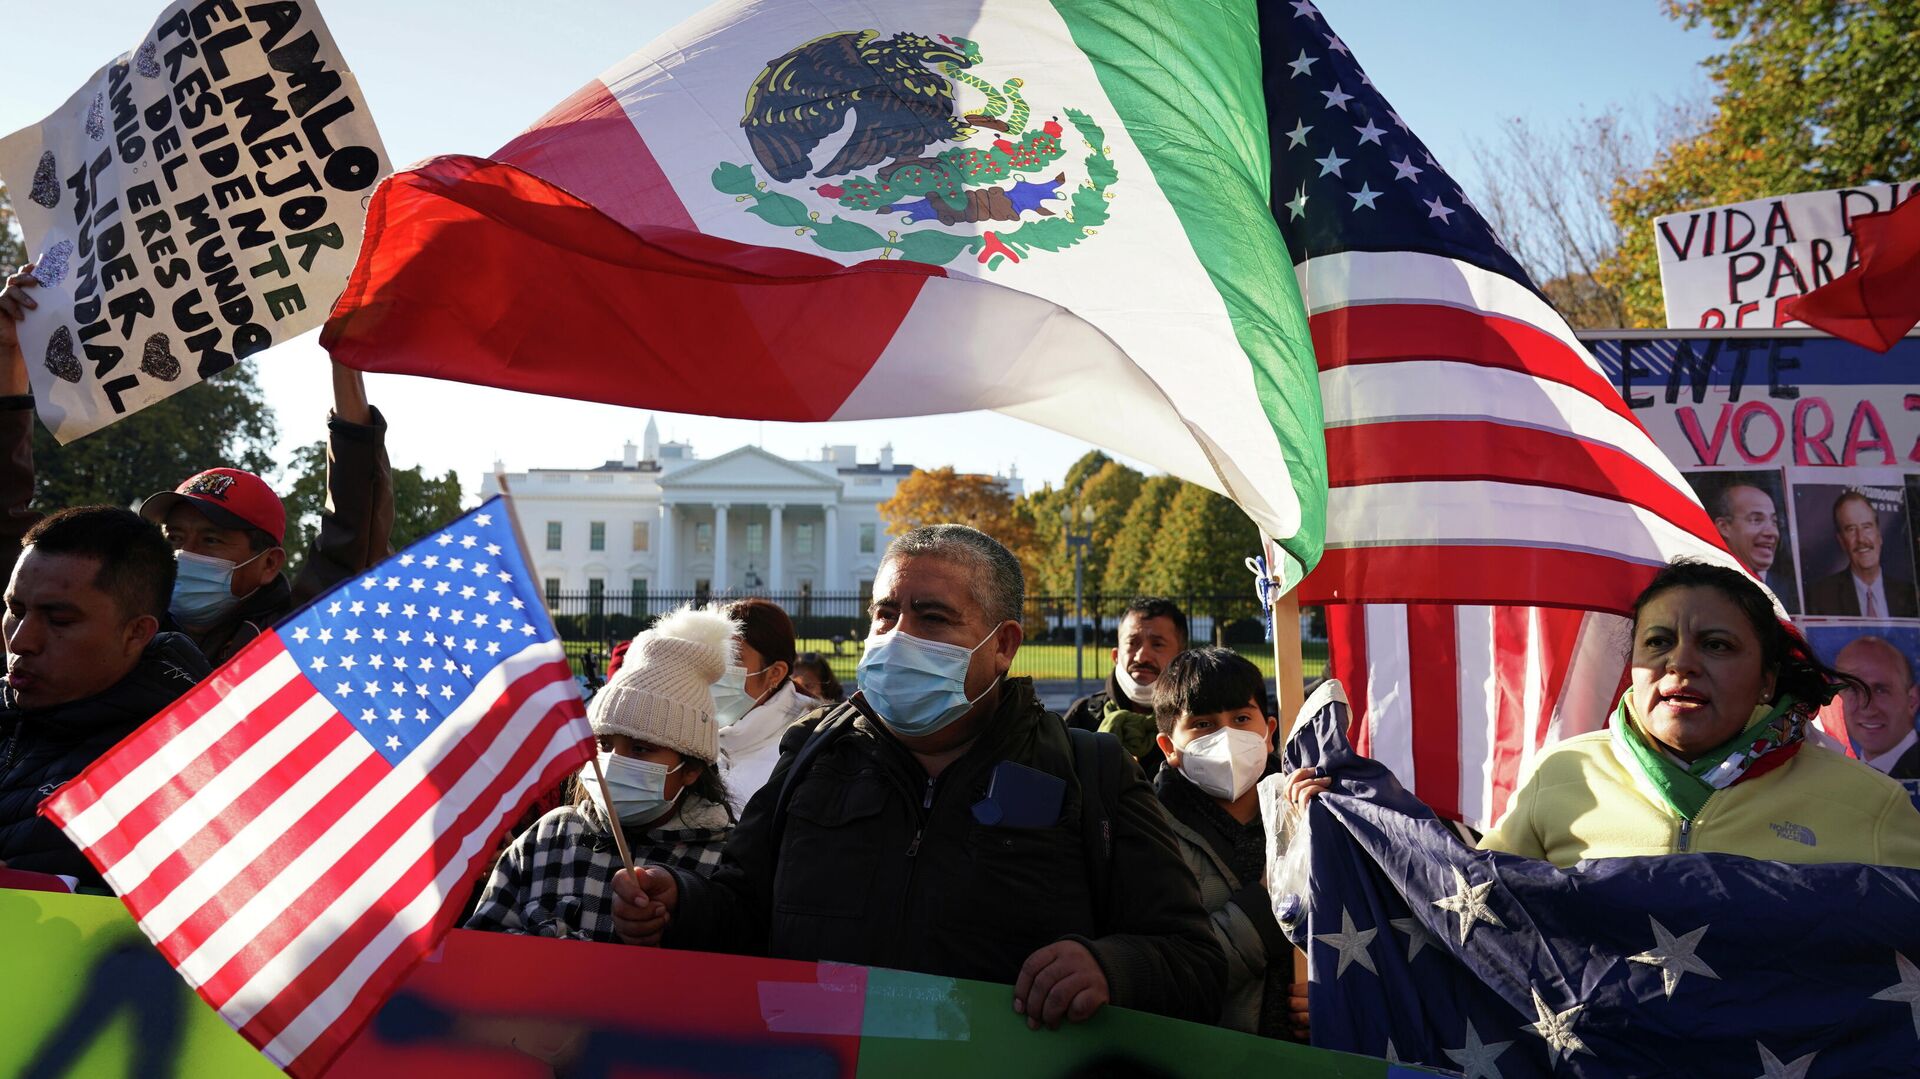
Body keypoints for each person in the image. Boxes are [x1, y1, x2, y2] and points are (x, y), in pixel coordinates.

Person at [610, 525, 1225, 1029]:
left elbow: (1194, 961)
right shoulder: (812, 756)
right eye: (885, 614)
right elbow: (744, 911)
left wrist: (1112, 968)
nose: (898, 636)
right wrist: (680, 904)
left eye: (932, 617)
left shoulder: (1091, 771)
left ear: (1004, 645)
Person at [0, 264, 396, 667]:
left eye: (211, 541)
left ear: (268, 564)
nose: (183, 556)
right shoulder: (121, 631)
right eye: (173, 538)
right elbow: (11, 533)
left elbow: (353, 534)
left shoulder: (294, 641)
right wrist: (10, 353)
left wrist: (344, 359)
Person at [1461, 560, 1920, 867]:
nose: (1680, 664)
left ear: (1767, 679)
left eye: (1716, 645)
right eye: (1658, 642)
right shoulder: (1560, 774)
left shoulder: (1870, 805)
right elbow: (1484, 927)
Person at [467, 604, 736, 942]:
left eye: (641, 749)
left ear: (691, 769)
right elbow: (481, 942)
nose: (612, 761)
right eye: (604, 744)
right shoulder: (549, 837)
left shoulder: (725, 859)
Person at [0, 507, 210, 886]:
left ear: (137, 632)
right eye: (15, 610)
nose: (20, 641)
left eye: (59, 620)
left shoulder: (185, 775)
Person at [1151, 647, 1307, 1041]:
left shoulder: (1309, 817)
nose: (1226, 737)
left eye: (1240, 719)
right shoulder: (1151, 834)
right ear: (1169, 748)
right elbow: (1162, 972)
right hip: (1211, 1054)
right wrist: (1267, 907)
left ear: (1269, 731)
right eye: (1203, 724)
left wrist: (1339, 995)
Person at [715, 598, 817, 815]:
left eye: (732, 657)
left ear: (775, 673)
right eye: (714, 655)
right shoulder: (692, 731)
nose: (716, 670)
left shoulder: (809, 750)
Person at [1064, 597, 1188, 764]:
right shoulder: (1083, 717)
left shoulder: (1198, 723)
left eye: (1157, 644)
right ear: (1115, 655)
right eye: (1132, 643)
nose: (1142, 657)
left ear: (1181, 658)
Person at [1805, 491, 1918, 617]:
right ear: (1841, 541)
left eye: (1867, 527)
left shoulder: (1911, 595)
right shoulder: (1821, 598)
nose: (1861, 539)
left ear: (1879, 535)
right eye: (1851, 529)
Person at [1834, 636, 1920, 780]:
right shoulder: (1837, 772)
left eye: (1880, 690)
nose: (1867, 709)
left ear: (1912, 701)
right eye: (1853, 689)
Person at [1711, 482, 1798, 613]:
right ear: (1724, 527)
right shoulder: (1706, 588)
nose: (1772, 533)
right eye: (1756, 520)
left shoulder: (1791, 591)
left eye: (1774, 522)